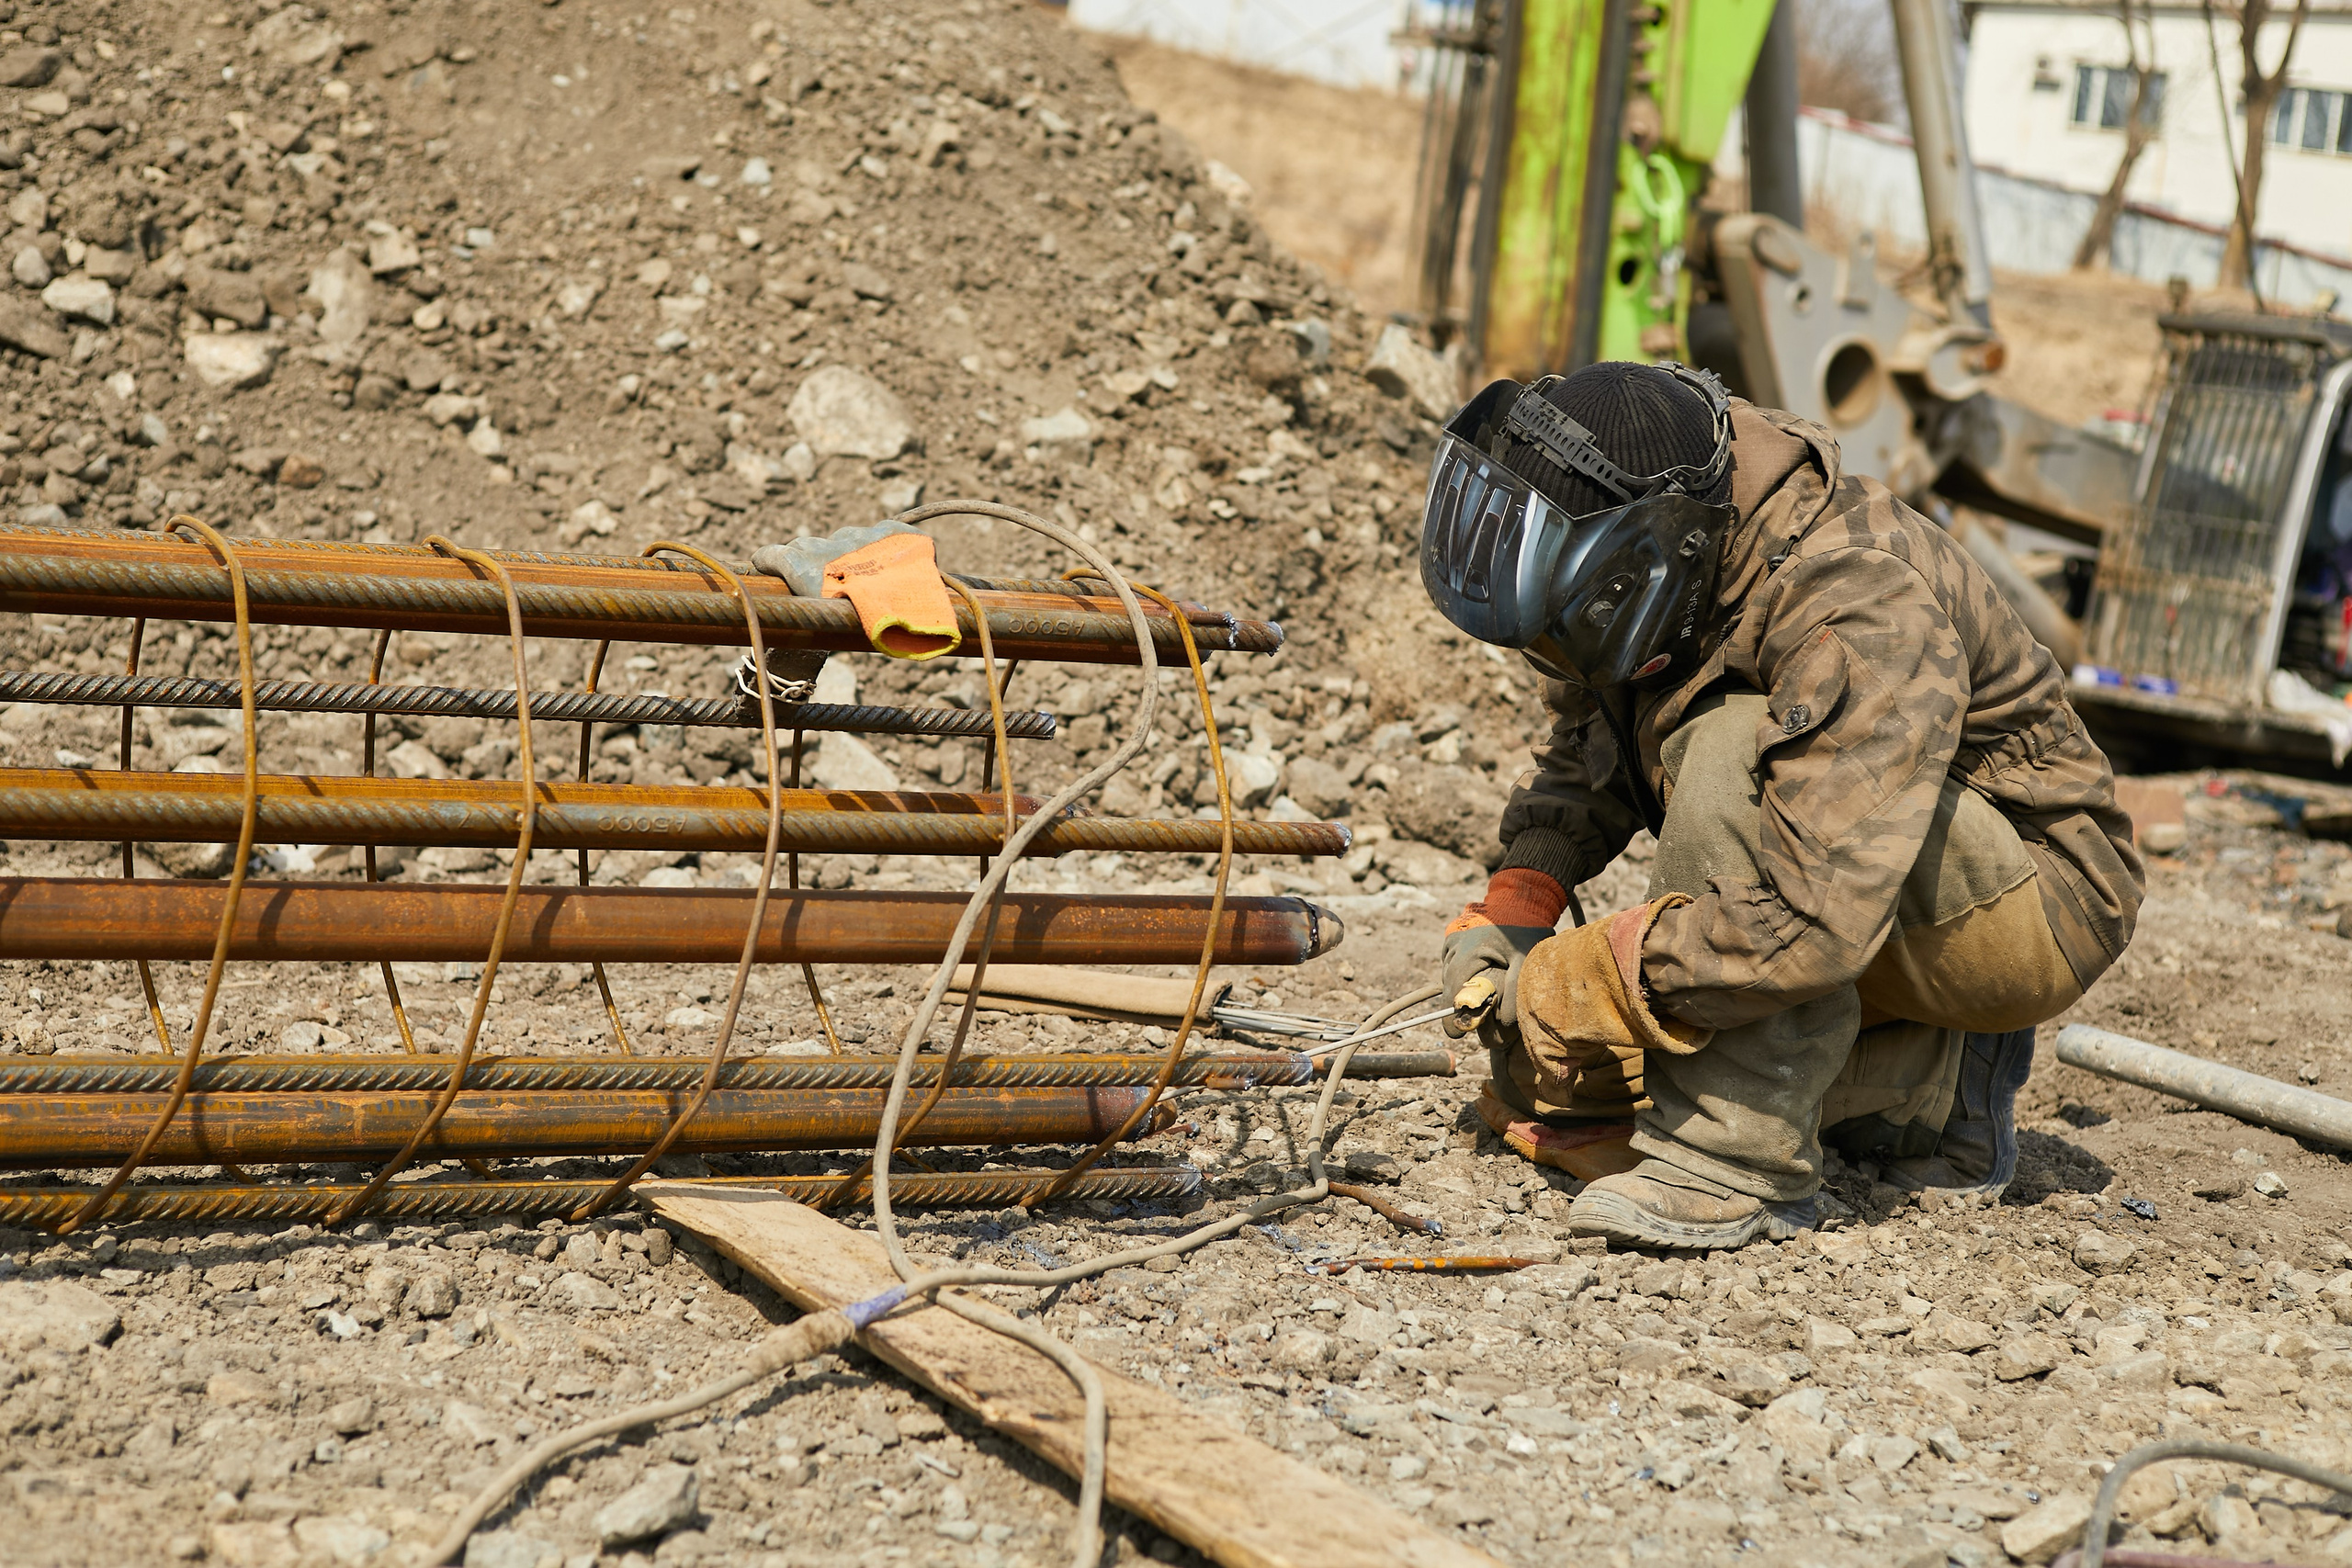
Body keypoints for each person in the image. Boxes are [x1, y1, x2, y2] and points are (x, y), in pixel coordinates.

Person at [1422, 361, 2143, 1250]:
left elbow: (1811, 919)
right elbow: (1604, 726)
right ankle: (1931, 1083)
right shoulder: (1684, 528)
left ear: (1648, 556)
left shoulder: (1856, 595)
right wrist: (1520, 901)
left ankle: (1731, 1165)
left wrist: (1601, 977)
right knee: (1558, 1078)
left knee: (1728, 746)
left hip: (2037, 894)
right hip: (1865, 855)